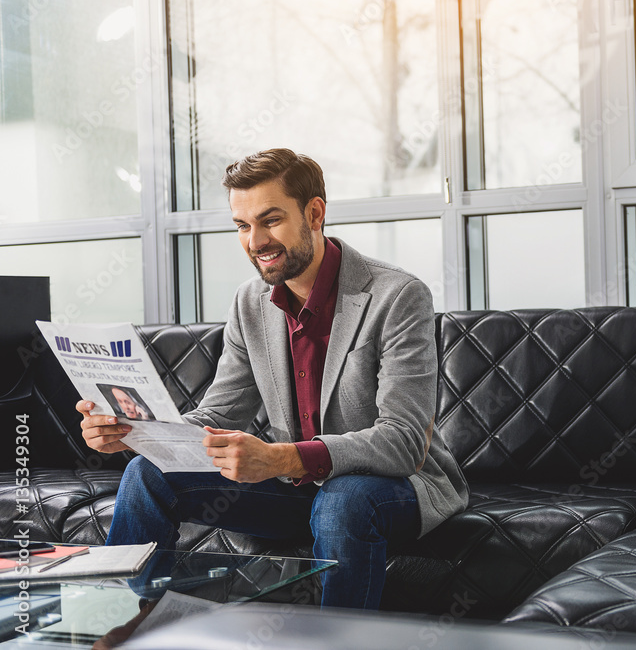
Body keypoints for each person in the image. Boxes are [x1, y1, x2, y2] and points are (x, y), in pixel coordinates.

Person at [76, 148, 469, 609]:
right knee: (147, 473)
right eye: (242, 226)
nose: (256, 240)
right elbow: (219, 414)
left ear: (315, 213)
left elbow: (403, 441)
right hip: (299, 494)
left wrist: (281, 459)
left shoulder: (398, 296)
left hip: (395, 488)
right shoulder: (250, 303)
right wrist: (136, 434)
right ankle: (114, 622)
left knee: (342, 501)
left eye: (271, 220)